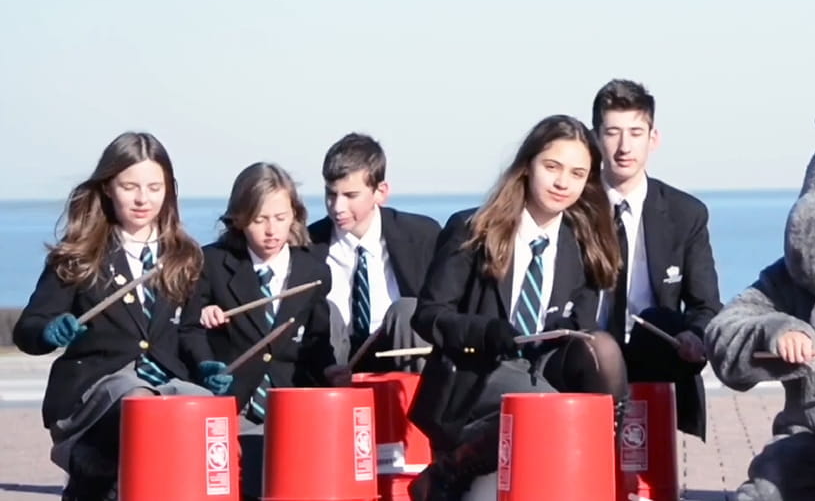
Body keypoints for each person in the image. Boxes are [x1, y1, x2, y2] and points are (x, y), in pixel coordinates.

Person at [408, 115, 629, 501]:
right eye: (552, 167)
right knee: (549, 410)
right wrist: (484, 331)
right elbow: (428, 315)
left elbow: (581, 333)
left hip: (542, 371)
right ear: (527, 166)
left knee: (602, 348)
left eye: (578, 174)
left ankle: (606, 471)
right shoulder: (472, 229)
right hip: (479, 371)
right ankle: (449, 470)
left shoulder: (584, 244)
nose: (563, 183)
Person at [12, 132, 210, 500]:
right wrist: (50, 330)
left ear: (169, 189)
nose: (142, 199)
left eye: (154, 187)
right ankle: (92, 469)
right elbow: (28, 328)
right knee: (137, 400)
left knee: (205, 409)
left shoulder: (186, 258)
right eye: (129, 186)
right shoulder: (78, 256)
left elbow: (189, 331)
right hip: (95, 391)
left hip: (166, 383)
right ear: (107, 188)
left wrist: (206, 365)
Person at [182, 162, 341, 500]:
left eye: (281, 218)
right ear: (239, 219)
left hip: (292, 407)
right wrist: (206, 362)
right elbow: (189, 331)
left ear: (294, 216)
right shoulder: (211, 263)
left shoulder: (312, 270)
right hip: (236, 408)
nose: (271, 231)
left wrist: (331, 370)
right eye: (259, 220)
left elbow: (316, 342)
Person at [591, 79, 722, 439]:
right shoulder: (576, 208)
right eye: (612, 132)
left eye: (635, 132)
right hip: (588, 353)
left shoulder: (686, 213)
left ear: (653, 138)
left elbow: (706, 304)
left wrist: (696, 335)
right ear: (595, 138)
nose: (623, 146)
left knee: (659, 319)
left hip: (655, 350)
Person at [302, 133, 440, 371]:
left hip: (401, 357)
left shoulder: (422, 236)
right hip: (332, 360)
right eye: (331, 194)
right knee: (328, 313)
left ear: (380, 192)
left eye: (350, 195)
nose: (337, 207)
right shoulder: (307, 246)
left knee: (407, 310)